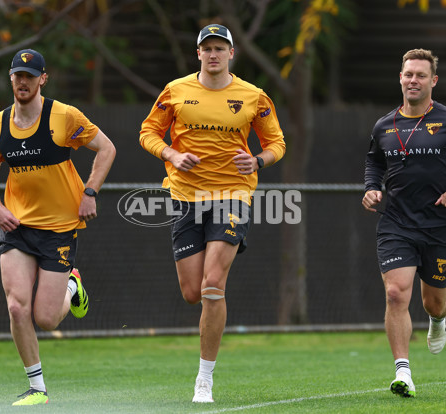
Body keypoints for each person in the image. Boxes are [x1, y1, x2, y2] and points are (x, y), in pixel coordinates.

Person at [139, 24, 286, 403]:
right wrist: (171, 154)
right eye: (208, 48)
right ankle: (211, 306)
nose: (214, 54)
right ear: (198, 53)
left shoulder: (253, 96)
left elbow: (276, 143)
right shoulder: (176, 90)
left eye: (221, 47)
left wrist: (256, 160)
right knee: (192, 293)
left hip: (233, 195)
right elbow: (148, 132)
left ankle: (204, 379)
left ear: (231, 53)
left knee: (212, 284)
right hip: (187, 197)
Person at [0, 49, 116, 405]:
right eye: (17, 75)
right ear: (10, 79)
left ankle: (74, 284)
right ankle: (37, 389)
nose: (22, 82)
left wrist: (90, 192)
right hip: (17, 226)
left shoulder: (64, 116)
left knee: (47, 318)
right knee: (16, 307)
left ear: (43, 79)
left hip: (58, 228)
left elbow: (107, 148)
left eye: (30, 75)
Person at [362, 48, 446, 398]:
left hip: (440, 226)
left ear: (433, 81)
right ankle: (403, 371)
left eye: (420, 75)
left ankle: (438, 317)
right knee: (395, 293)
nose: (413, 80)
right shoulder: (383, 125)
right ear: (400, 78)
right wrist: (372, 188)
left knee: (433, 301)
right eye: (408, 74)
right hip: (397, 223)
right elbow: (374, 163)